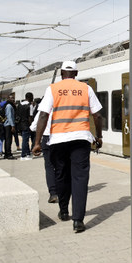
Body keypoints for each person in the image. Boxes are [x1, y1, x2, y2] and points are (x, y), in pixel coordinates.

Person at [33, 61, 103, 233]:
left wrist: (37, 142)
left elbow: (43, 115)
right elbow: (97, 115)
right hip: (81, 139)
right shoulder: (86, 88)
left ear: (62, 73)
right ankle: (78, 220)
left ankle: (64, 211)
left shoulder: (53, 89)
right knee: (80, 178)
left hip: (58, 140)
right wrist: (99, 136)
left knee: (61, 174)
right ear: (76, 73)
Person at [30, 103, 57, 203]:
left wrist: (37, 142)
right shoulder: (63, 108)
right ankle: (64, 190)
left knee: (49, 166)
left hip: (47, 138)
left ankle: (53, 193)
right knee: (62, 165)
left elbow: (33, 127)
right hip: (61, 138)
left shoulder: (44, 109)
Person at [18, 92, 34, 160]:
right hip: (26, 124)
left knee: (25, 139)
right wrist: (31, 125)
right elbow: (30, 117)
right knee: (25, 140)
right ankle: (23, 155)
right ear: (29, 97)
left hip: (20, 124)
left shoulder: (20, 104)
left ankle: (28, 153)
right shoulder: (29, 105)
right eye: (32, 97)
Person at [2, 94, 17, 160]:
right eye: (11, 98)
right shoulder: (9, 106)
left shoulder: (9, 105)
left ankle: (6, 154)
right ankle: (8, 154)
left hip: (7, 124)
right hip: (8, 125)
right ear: (8, 99)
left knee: (7, 139)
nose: (13, 99)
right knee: (8, 140)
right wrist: (12, 126)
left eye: (13, 98)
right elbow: (9, 116)